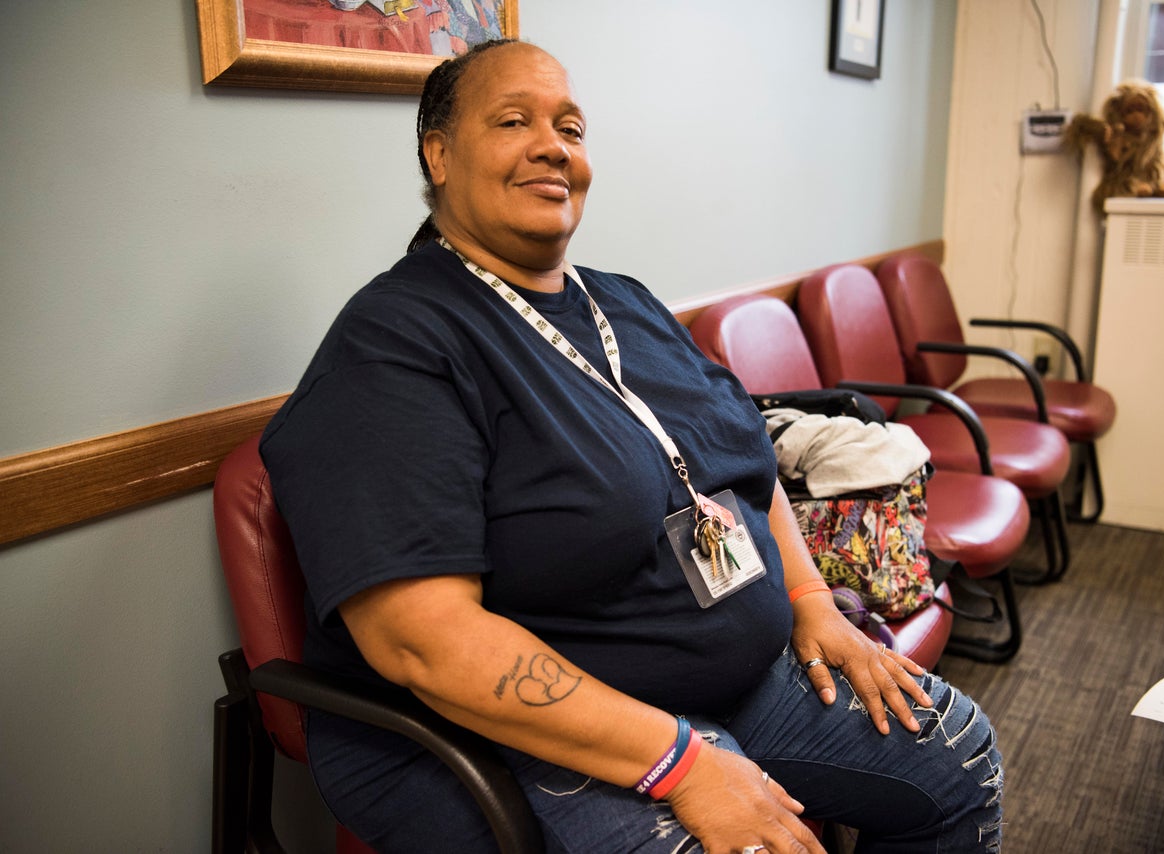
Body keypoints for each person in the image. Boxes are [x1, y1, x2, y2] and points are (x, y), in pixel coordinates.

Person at [260, 38, 1003, 854]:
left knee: (960, 758)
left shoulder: (627, 304)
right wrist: (682, 763)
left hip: (734, 679)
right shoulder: (397, 344)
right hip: (528, 729)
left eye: (571, 128)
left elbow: (744, 466)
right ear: (438, 154)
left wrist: (811, 603)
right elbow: (422, 640)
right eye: (514, 121)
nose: (553, 146)